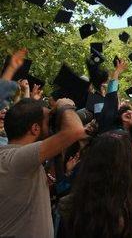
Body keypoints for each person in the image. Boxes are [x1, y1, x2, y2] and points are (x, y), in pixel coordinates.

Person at [0, 97, 85, 238]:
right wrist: (65, 106)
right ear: (35, 129)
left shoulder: (13, 159)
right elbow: (75, 130)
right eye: (48, 121)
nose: (51, 125)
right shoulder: (18, 159)